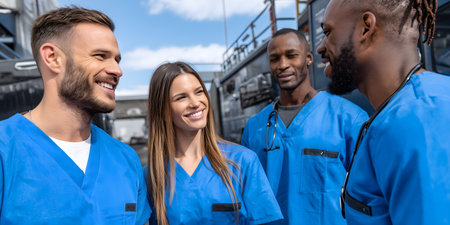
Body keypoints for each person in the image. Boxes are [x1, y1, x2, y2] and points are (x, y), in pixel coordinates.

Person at [0, 7, 151, 224]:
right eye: (101, 56)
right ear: (52, 58)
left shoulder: (126, 159)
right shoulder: (5, 151)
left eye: (117, 59)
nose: (117, 70)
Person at [317, 0, 450, 224]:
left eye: (328, 32)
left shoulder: (417, 120)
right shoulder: (410, 108)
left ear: (366, 27)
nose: (321, 47)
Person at [241, 28, 368, 225]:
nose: (283, 65)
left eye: (291, 55)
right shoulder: (254, 127)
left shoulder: (349, 118)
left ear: (308, 58)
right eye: (275, 59)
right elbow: (248, 196)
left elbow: (369, 195)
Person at [146, 62, 283, 225]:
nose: (195, 102)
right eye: (181, 97)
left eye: (199, 92)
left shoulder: (242, 162)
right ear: (162, 110)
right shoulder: (152, 176)